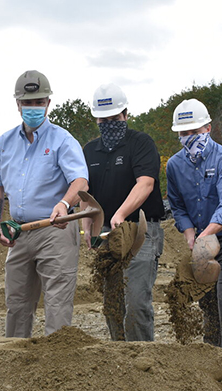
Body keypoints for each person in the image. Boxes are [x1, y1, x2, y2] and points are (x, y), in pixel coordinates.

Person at [0, 70, 89, 338]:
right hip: (19, 233)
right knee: (17, 305)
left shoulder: (62, 140)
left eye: (39, 102)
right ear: (18, 104)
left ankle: (57, 372)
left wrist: (65, 204)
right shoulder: (6, 142)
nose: (33, 107)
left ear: (48, 104)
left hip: (55, 230)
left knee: (57, 305)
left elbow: (80, 181)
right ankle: (16, 366)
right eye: (27, 102)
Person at [165, 99, 222, 354]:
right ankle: (212, 354)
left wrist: (204, 236)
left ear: (208, 128)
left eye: (195, 131)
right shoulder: (174, 166)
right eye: (184, 133)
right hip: (202, 238)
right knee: (208, 300)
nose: (189, 137)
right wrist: (190, 234)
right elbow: (178, 206)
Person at [81, 83, 165, 341]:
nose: (109, 124)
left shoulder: (140, 143)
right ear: (96, 118)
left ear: (126, 115)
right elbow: (86, 195)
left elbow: (146, 183)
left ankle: (142, 361)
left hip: (139, 230)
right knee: (113, 304)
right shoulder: (90, 151)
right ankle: (120, 360)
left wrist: (120, 213)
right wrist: (88, 226)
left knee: (137, 303)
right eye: (103, 119)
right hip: (107, 234)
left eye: (115, 118)